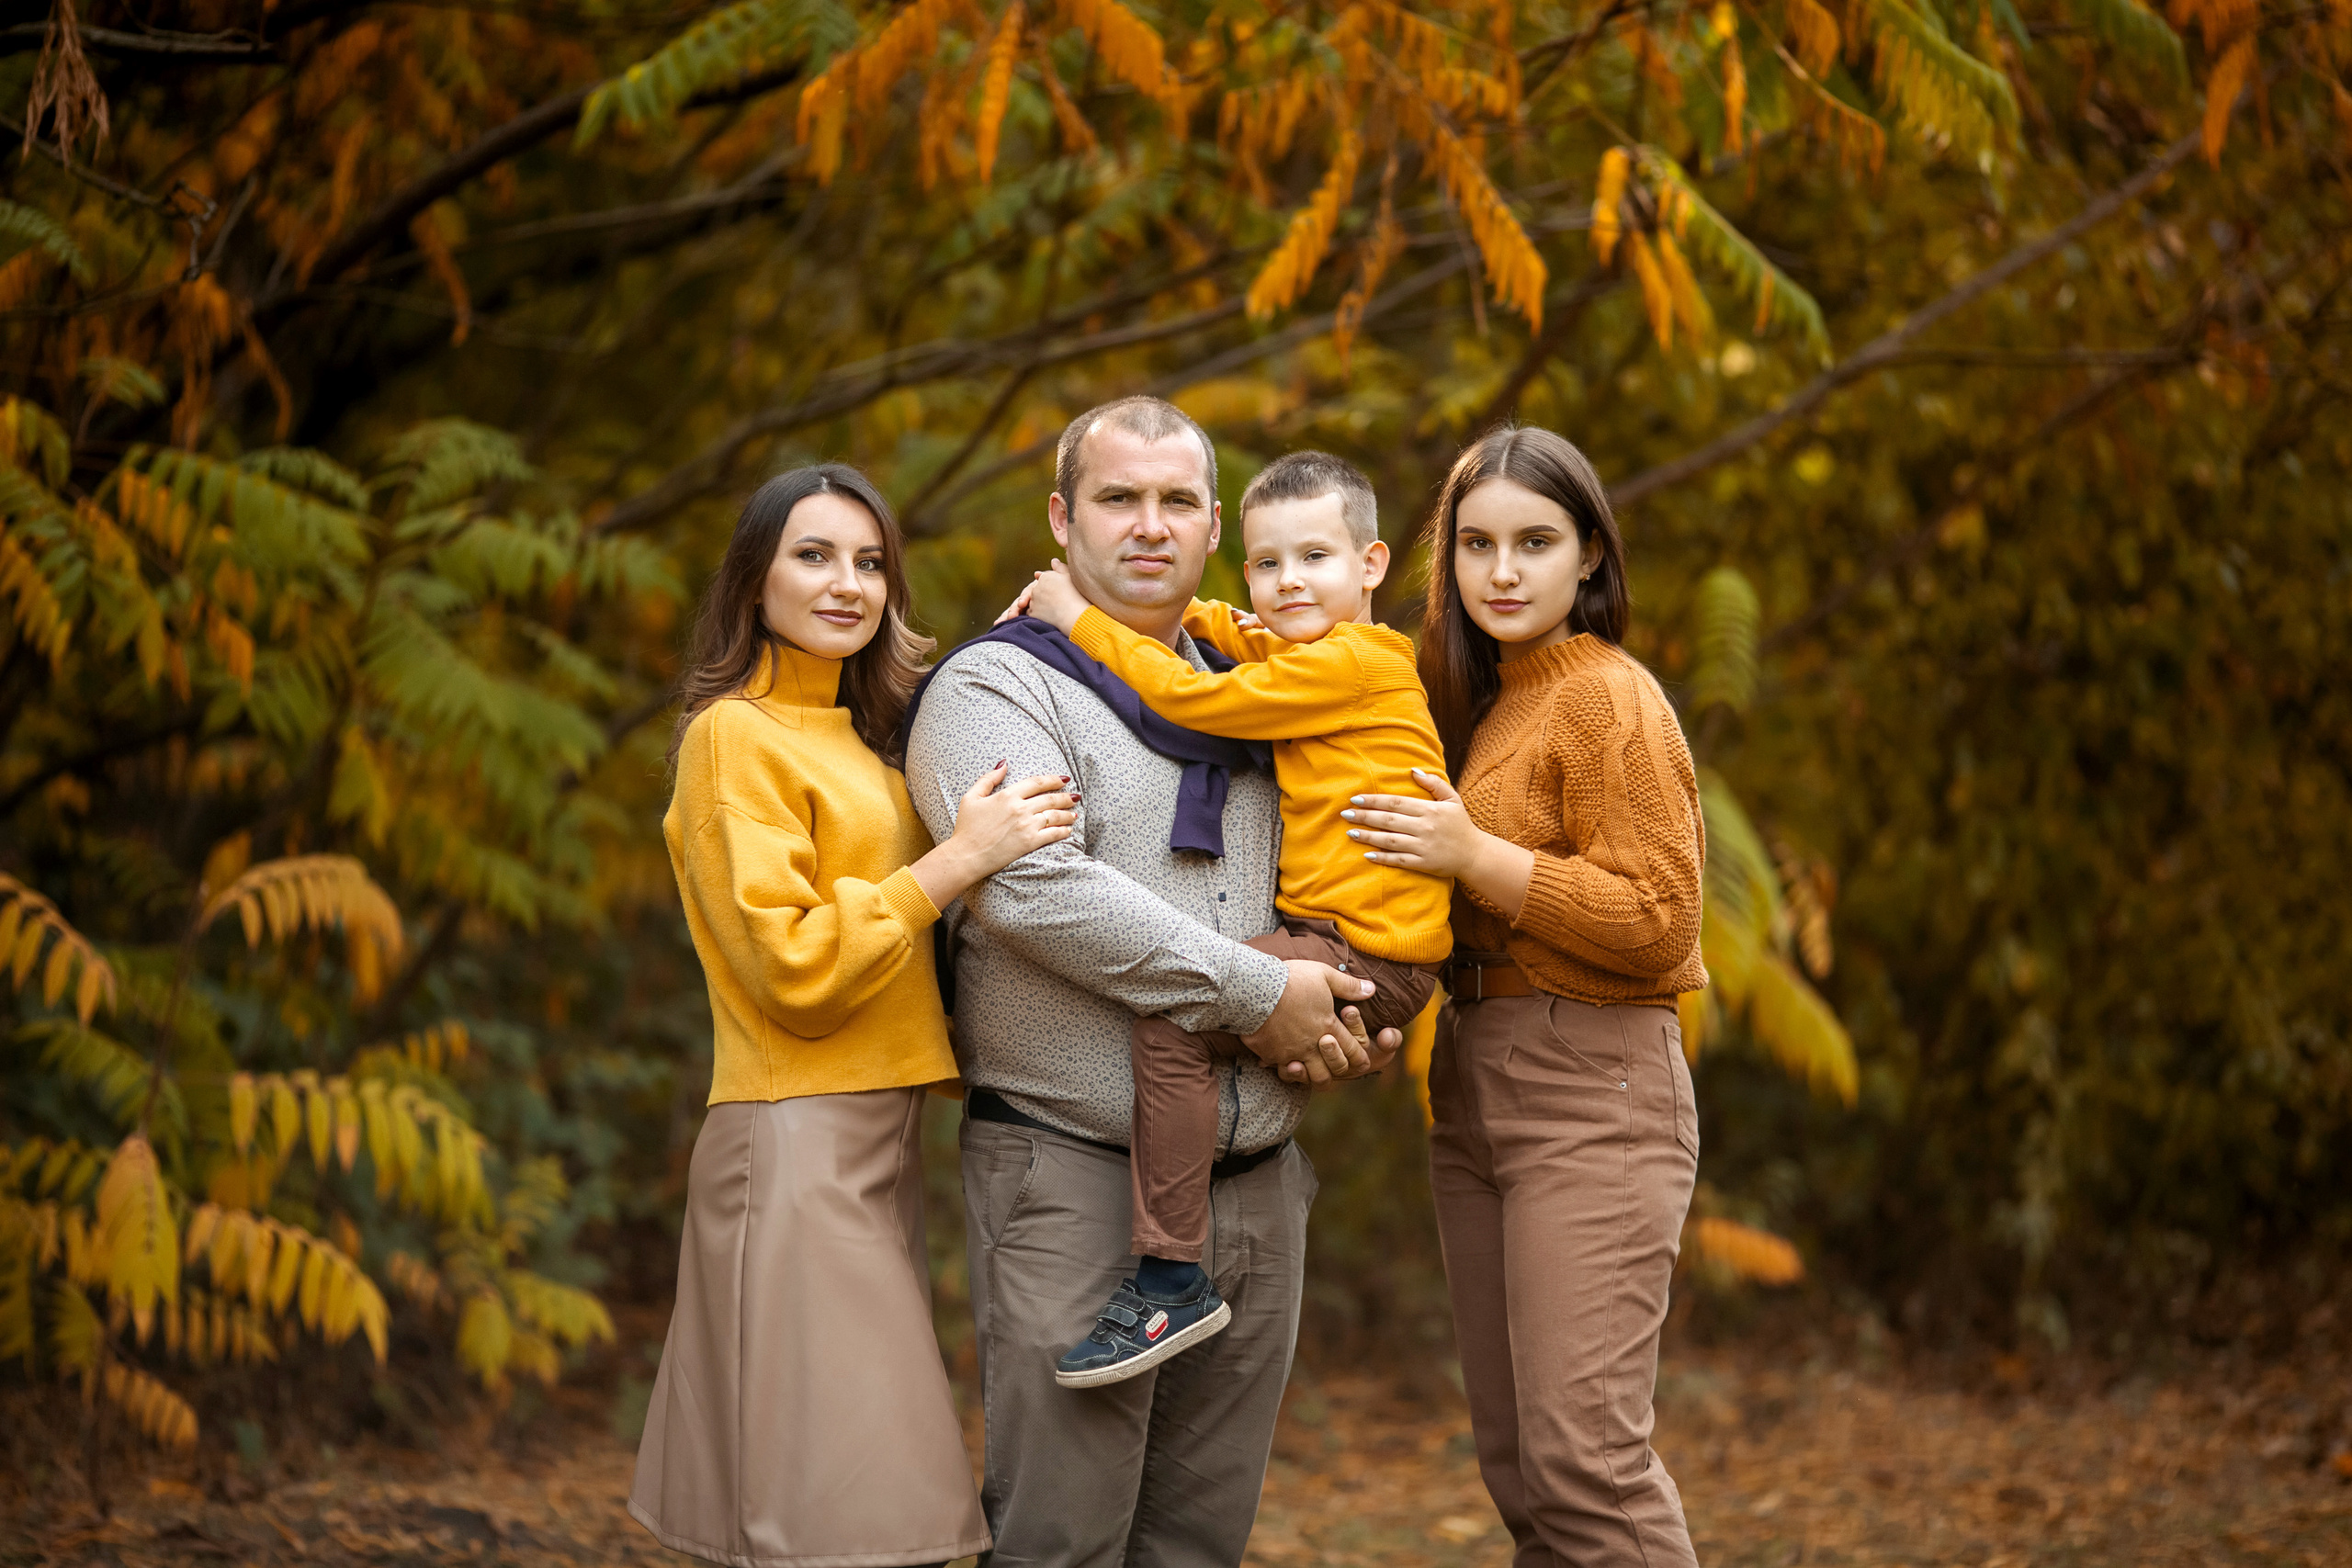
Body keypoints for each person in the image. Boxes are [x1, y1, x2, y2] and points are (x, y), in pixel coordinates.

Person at [901, 397, 1404, 1566]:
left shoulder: (1274, 681)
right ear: (1060, 517)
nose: (1149, 525)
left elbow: (1347, 867)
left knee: (1196, 1546)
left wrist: (1344, 1012)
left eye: (1177, 501)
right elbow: (1034, 891)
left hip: (1258, 1188)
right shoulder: (997, 687)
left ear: (1214, 525)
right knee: (1062, 1541)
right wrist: (1258, 996)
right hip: (1074, 1176)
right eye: (1117, 497)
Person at [629, 465, 1076, 1568]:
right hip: (794, 1137)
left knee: (853, 1508)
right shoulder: (733, 737)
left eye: (870, 563)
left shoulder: (858, 738)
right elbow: (791, 967)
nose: (848, 584)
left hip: (874, 1136)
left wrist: (1035, 643)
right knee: (847, 1514)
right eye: (814, 556)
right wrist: (958, 859)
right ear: (755, 579)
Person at [1338, 425, 1709, 1568]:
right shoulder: (1483, 705)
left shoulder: (1607, 699)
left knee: (1585, 1466)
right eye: (1477, 544)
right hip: (1477, 1077)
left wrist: (1475, 857)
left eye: (1535, 543)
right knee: (1521, 1472)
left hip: (1591, 1084)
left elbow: (1661, 921)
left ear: (1589, 554)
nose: (1502, 572)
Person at [1006, 449, 1452, 1387]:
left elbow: (1191, 695)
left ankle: (1170, 1277)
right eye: (1267, 563)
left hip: (1365, 950)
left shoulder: (1352, 665)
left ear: (1371, 564)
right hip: (1357, 944)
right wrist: (1188, 616)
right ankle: (1178, 1260)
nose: (1288, 582)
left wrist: (1076, 617)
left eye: (1314, 559)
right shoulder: (1314, 653)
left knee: (1176, 1025)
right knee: (1221, 1025)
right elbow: (1235, 632)